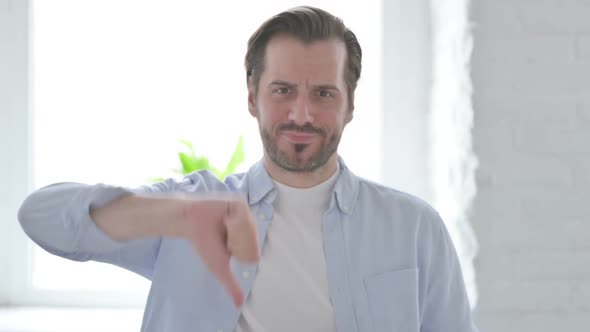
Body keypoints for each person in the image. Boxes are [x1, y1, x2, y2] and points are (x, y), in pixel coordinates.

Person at [18, 6, 478, 332]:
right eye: (282, 90)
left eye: (323, 93)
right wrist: (175, 216)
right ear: (252, 98)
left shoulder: (414, 227)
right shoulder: (191, 210)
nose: (302, 113)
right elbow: (40, 218)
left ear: (350, 105)